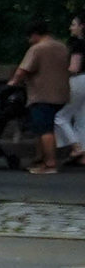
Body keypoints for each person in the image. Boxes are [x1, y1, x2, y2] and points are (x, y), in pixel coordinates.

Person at [16, 20, 67, 175]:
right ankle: (40, 159)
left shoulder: (37, 48)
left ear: (34, 35)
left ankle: (50, 164)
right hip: (61, 93)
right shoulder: (62, 47)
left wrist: (12, 84)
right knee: (44, 127)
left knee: (45, 129)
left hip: (41, 95)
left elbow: (23, 70)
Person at [56, 14, 85, 168]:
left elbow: (74, 68)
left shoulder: (78, 44)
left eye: (74, 24)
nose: (70, 27)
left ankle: (76, 147)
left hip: (79, 80)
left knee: (60, 117)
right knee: (81, 118)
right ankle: (83, 155)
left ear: (82, 26)